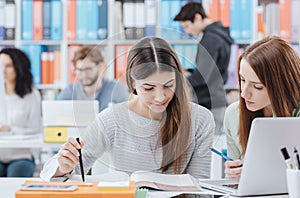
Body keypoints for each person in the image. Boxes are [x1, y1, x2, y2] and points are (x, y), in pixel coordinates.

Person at [40, 37, 215, 181]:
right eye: (148, 88)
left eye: (168, 85)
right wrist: (63, 166)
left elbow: (199, 189)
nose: (160, 97)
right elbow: (54, 172)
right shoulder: (112, 119)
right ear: (133, 85)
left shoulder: (200, 120)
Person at [224, 36, 300, 179]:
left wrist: (258, 174)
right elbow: (235, 172)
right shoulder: (233, 114)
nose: (244, 93)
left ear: (281, 86)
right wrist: (234, 172)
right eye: (242, 80)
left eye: (257, 86)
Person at [174, 2, 234, 134]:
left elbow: (202, 77)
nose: (187, 31)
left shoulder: (210, 39)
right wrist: (190, 72)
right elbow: (211, 70)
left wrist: (176, 84)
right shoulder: (219, 35)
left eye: (187, 26)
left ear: (197, 18)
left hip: (209, 103)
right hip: (215, 99)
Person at [0, 48, 42, 177]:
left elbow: (35, 130)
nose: (3, 71)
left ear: (18, 68)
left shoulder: (32, 95)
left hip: (21, 156)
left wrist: (10, 129)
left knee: (17, 174)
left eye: (8, 66)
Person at [58, 45, 129, 112]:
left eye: (88, 69)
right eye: (79, 70)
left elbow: (127, 119)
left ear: (101, 66)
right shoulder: (69, 92)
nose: (84, 74)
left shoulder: (117, 89)